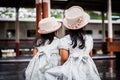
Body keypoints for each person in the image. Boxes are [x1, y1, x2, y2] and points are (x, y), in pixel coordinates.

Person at [45, 6, 101, 80]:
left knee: (48, 73)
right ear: (83, 25)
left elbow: (64, 58)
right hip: (88, 68)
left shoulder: (65, 40)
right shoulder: (89, 39)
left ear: (68, 27)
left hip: (71, 69)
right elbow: (90, 55)